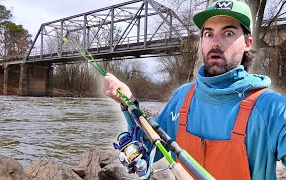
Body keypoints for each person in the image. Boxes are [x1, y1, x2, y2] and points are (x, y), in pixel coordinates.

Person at [103, 0, 286, 179]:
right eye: (208, 34)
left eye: (228, 33)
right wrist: (127, 102)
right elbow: (150, 148)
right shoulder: (182, 97)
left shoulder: (274, 109)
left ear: (247, 43)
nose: (215, 42)